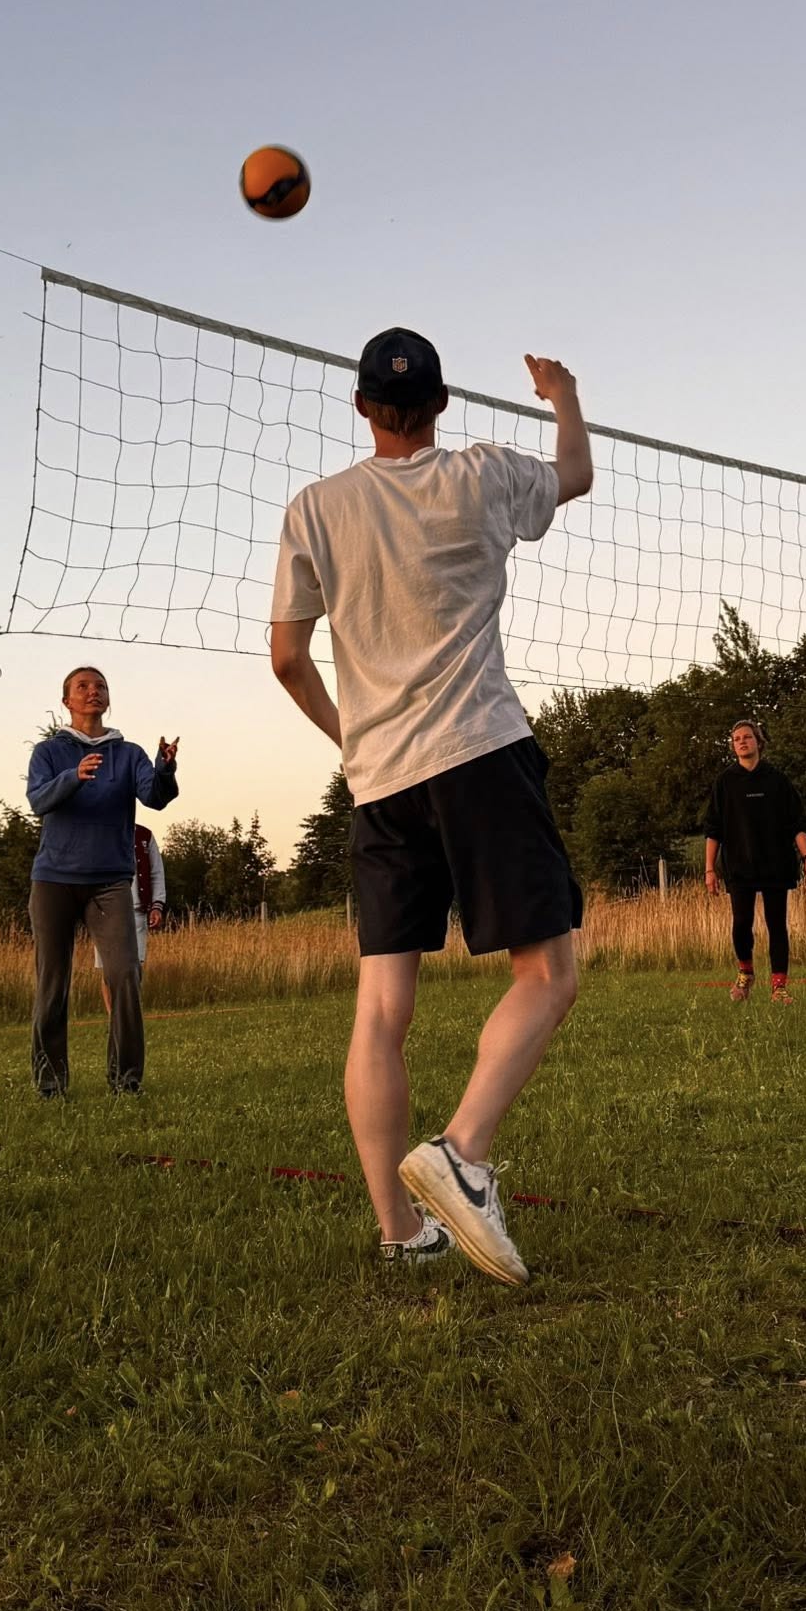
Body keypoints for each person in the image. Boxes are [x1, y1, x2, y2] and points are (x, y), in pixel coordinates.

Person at [270, 328, 592, 1283]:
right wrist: (564, 396)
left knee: (381, 1009)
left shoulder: (315, 507)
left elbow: (286, 659)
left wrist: (351, 738)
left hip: (380, 782)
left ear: (361, 406)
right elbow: (575, 475)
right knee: (549, 973)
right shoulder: (483, 473)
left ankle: (401, 1232)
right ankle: (461, 1152)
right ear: (441, 403)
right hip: (479, 755)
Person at [26, 667, 180, 1097]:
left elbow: (156, 798)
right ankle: (50, 1084)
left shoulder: (128, 754)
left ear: (108, 699)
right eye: (83, 686)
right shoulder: (48, 752)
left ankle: (126, 1081)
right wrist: (73, 776)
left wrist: (165, 769)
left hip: (110, 882)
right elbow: (38, 800)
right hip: (54, 880)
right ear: (67, 701)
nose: (93, 691)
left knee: (124, 975)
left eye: (101, 686)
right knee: (52, 983)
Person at [704, 720, 806, 1003]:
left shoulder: (777, 780)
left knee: (776, 924)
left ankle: (779, 987)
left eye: (747, 737)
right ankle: (745, 973)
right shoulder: (725, 782)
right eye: (736, 739)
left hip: (775, 864)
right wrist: (709, 869)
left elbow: (797, 823)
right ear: (733, 747)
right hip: (739, 864)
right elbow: (713, 829)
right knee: (741, 923)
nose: (742, 742)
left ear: (758, 741)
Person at [95, 823, 167, 1015]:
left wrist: (157, 905)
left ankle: (129, 1014)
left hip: (137, 911)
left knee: (135, 968)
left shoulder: (144, 835)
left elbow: (156, 872)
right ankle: (114, 1017)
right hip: (106, 912)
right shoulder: (99, 831)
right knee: (108, 969)